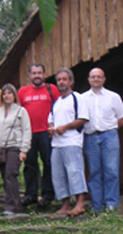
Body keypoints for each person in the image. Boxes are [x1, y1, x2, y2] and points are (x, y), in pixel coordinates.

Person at [81, 67, 123, 212]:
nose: (96, 79)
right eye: (93, 77)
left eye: (99, 77)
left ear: (104, 79)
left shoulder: (113, 96)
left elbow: (122, 118)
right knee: (94, 171)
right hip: (90, 136)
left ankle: (111, 204)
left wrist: (110, 129)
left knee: (111, 170)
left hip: (109, 135)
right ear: (89, 79)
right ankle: (97, 206)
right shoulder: (82, 98)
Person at [48, 67, 89, 217]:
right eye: (59, 80)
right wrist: (52, 129)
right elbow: (50, 120)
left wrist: (65, 127)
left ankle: (80, 203)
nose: (61, 82)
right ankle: (65, 204)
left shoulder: (78, 98)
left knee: (74, 172)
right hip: (57, 144)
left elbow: (82, 119)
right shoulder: (56, 102)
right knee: (58, 175)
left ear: (71, 81)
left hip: (72, 141)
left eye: (64, 79)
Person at [18, 63, 60, 208]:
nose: (37, 76)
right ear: (29, 75)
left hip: (46, 132)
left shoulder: (51, 89)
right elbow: (19, 113)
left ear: (44, 74)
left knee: (48, 163)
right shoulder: (23, 92)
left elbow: (59, 108)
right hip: (28, 133)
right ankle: (31, 194)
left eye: (39, 73)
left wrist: (54, 126)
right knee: (30, 164)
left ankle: (48, 194)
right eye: (34, 73)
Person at [0, 84, 31, 216]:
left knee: (10, 175)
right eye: (4, 93)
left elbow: (26, 130)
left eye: (9, 93)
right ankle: (13, 204)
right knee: (4, 176)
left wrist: (24, 149)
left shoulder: (21, 111)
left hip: (15, 146)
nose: (7, 96)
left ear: (14, 95)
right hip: (1, 148)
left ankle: (13, 206)